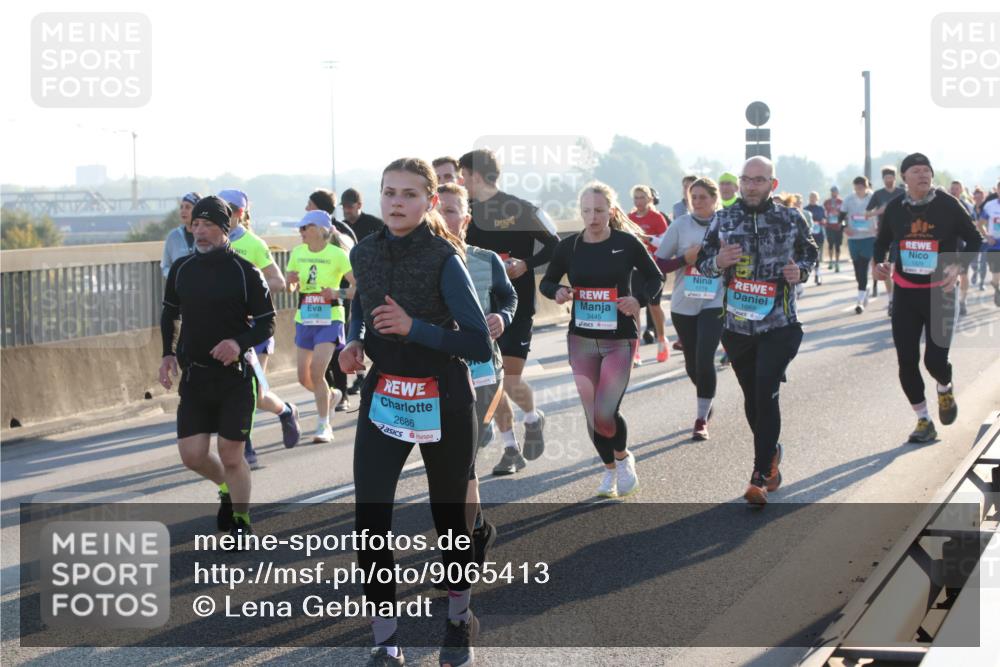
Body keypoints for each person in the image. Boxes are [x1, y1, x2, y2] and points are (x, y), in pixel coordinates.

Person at [338, 157, 491, 667]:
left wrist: (414, 328)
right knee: (371, 519)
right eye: (389, 193)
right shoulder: (363, 252)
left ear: (428, 202)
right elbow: (362, 307)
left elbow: (478, 345)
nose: (396, 202)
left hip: (443, 393)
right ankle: (386, 640)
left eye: (408, 194)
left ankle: (457, 620)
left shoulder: (445, 256)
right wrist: (355, 342)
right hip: (385, 393)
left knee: (449, 520)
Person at [696, 157, 818, 505]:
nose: (751, 186)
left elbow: (810, 252)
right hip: (737, 328)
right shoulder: (724, 218)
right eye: (746, 180)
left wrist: (802, 270)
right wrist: (718, 262)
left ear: (772, 185)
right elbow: (703, 263)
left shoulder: (791, 218)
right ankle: (772, 454)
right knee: (753, 399)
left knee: (765, 393)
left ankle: (759, 475)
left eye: (759, 180)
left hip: (780, 324)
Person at [158, 195, 275, 540]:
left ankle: (241, 520)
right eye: (195, 224)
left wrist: (238, 343)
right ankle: (225, 486)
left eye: (208, 225)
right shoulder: (181, 268)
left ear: (225, 229)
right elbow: (170, 313)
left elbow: (267, 323)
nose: (200, 231)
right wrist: (167, 354)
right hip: (195, 375)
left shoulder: (245, 271)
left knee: (231, 454)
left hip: (234, 379)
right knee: (192, 455)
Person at [541, 181, 662, 498]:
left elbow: (654, 277)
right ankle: (609, 471)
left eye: (598, 210)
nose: (591, 217)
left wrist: (638, 300)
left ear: (611, 210)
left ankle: (623, 460)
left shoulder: (627, 243)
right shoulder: (569, 247)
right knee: (591, 413)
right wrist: (557, 291)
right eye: (585, 211)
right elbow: (549, 281)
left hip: (618, 339)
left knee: (605, 412)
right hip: (581, 339)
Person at [873, 153, 982, 444]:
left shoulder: (948, 205)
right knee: (906, 360)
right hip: (906, 293)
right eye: (916, 171)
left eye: (927, 171)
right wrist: (879, 262)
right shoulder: (895, 208)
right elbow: (883, 241)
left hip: (941, 293)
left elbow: (975, 239)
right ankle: (923, 419)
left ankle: (944, 388)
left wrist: (959, 265)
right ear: (904, 178)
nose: (923, 175)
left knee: (934, 361)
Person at [436, 182, 517, 579]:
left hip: (483, 371)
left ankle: (460, 556)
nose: (446, 217)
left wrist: (503, 317)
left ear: (466, 218)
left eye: (454, 210)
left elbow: (508, 297)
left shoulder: (486, 260)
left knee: (460, 463)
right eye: (441, 209)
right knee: (454, 468)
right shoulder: (425, 260)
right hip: (437, 373)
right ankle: (478, 530)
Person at [461, 148, 560, 462]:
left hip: (514, 304)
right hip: (478, 308)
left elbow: (555, 245)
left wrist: (527, 264)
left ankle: (532, 418)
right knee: (492, 378)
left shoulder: (518, 207)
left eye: (463, 175)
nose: (461, 182)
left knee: (511, 379)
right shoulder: (465, 213)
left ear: (475, 175)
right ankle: (510, 447)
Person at [217, 189, 301, 465]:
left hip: (255, 330)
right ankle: (251, 440)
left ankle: (285, 413)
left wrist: (248, 294)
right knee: (233, 392)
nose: (223, 212)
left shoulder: (253, 244)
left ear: (240, 213)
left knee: (255, 392)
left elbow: (277, 282)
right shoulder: (210, 243)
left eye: (229, 208)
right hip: (224, 331)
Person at [655, 177, 725, 440]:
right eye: (692, 197)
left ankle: (700, 419)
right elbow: (659, 264)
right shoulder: (680, 225)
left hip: (715, 300)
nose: (696, 201)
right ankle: (706, 398)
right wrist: (685, 258)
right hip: (684, 302)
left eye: (702, 197)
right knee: (692, 364)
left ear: (714, 199)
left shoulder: (726, 224)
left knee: (705, 357)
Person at [285, 209, 355, 443]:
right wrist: (291, 283)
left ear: (319, 230)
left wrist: (337, 292)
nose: (301, 232)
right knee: (304, 378)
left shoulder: (338, 255)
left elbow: (359, 287)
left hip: (331, 318)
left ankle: (324, 425)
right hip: (305, 318)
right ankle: (332, 395)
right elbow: (290, 287)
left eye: (305, 228)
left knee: (317, 371)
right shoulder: (297, 253)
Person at [307, 189, 358, 412]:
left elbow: (352, 268)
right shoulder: (307, 234)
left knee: (337, 347)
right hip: (311, 304)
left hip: (338, 301)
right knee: (315, 352)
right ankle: (329, 392)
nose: (306, 210)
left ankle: (342, 392)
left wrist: (339, 292)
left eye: (309, 206)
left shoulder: (341, 232)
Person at [629, 184, 670, 361]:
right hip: (636, 270)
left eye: (642, 197)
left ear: (650, 199)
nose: (639, 201)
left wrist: (647, 239)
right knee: (635, 308)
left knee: (654, 306)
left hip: (654, 269)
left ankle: (662, 340)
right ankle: (635, 350)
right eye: (636, 198)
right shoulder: (629, 218)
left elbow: (666, 243)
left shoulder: (657, 217)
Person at [867, 167, 906, 313]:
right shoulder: (878, 194)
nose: (889, 180)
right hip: (884, 235)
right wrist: (880, 210)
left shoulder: (902, 193)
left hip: (900, 235)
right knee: (886, 267)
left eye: (891, 177)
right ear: (883, 179)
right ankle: (891, 300)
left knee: (898, 268)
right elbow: (867, 213)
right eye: (886, 177)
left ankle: (899, 298)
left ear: (895, 178)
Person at [839, 177, 876, 314]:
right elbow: (841, 217)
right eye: (856, 188)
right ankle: (864, 288)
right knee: (857, 269)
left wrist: (878, 228)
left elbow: (882, 214)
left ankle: (859, 301)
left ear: (866, 187)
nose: (858, 190)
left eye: (861, 188)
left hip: (869, 237)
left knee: (864, 265)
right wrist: (844, 228)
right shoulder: (848, 199)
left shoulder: (873, 197)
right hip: (854, 237)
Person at [161, 192, 200, 277]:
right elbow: (165, 266)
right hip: (179, 288)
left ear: (198, 210)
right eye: (181, 207)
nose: (183, 211)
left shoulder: (207, 235)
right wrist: (175, 276)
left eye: (188, 207)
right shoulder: (173, 236)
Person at [976, 179, 1000, 306]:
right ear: (998, 191)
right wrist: (987, 236)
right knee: (996, 277)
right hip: (995, 245)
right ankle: (997, 288)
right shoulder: (990, 206)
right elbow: (980, 224)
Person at [804, 192, 826, 285]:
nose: (812, 198)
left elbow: (825, 219)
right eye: (811, 197)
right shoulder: (805, 209)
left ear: (817, 198)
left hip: (819, 234)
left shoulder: (821, 208)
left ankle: (817, 274)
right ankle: (807, 274)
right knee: (810, 255)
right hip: (809, 236)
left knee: (817, 255)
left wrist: (822, 222)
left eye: (814, 197)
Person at [823, 185, 845, 271]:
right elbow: (823, 212)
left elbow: (844, 213)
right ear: (831, 192)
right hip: (829, 226)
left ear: (838, 192)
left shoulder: (841, 202)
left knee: (838, 245)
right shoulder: (827, 202)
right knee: (830, 244)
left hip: (838, 226)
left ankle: (837, 262)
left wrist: (838, 215)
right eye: (832, 191)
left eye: (835, 191)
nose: (834, 193)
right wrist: (826, 217)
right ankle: (831, 261)